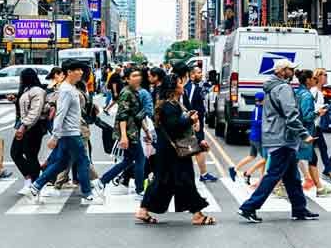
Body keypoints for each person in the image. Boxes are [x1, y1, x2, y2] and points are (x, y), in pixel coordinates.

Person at [237, 59, 320, 223]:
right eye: (290, 69)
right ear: (282, 71)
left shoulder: (271, 87)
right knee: (274, 175)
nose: (293, 72)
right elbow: (291, 116)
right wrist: (304, 134)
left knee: (292, 177)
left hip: (276, 135)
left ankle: (299, 209)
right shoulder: (283, 88)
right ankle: (249, 207)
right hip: (284, 137)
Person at [135, 73, 215, 226]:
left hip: (170, 151)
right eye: (180, 83)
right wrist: (190, 119)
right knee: (185, 180)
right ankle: (197, 215)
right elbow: (174, 127)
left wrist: (196, 138)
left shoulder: (174, 104)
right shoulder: (168, 106)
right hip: (171, 152)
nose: (183, 85)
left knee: (164, 182)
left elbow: (181, 127)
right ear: (173, 88)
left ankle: (143, 210)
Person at [20, 61, 97, 204]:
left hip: (69, 132)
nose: (81, 72)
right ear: (69, 72)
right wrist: (55, 136)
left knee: (62, 163)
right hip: (70, 133)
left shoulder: (70, 88)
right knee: (82, 161)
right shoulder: (67, 90)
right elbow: (61, 113)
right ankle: (87, 193)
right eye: (78, 69)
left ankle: (36, 187)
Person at [101, 68, 146, 197]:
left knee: (128, 160)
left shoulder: (135, 92)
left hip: (134, 131)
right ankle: (140, 189)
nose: (138, 77)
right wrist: (124, 136)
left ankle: (103, 180)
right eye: (134, 75)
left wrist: (146, 130)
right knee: (140, 159)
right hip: (129, 133)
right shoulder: (126, 93)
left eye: (139, 75)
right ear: (126, 79)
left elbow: (137, 115)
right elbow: (122, 116)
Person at [295, 69, 331, 196]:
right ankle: (277, 186)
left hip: (299, 131)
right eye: (313, 78)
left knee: (311, 158)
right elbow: (306, 116)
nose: (314, 80)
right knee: (290, 161)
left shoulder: (298, 92)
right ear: (308, 80)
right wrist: (318, 113)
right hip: (304, 131)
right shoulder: (306, 95)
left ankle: (319, 187)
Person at [12, 68, 48, 188]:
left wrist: (23, 126)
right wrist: (15, 100)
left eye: (22, 77)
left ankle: (35, 183)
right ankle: (30, 178)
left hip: (33, 127)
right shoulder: (28, 89)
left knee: (31, 155)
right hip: (25, 126)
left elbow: (35, 112)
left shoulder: (37, 91)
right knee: (15, 152)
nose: (20, 80)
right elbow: (25, 107)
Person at [183, 65, 217, 182]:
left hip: (198, 121)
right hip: (194, 122)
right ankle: (200, 174)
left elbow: (207, 87)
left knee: (199, 147)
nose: (201, 74)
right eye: (198, 72)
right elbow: (189, 106)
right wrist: (193, 121)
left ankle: (203, 174)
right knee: (196, 147)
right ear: (192, 75)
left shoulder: (197, 86)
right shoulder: (190, 87)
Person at [231, 91, 267, 184]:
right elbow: (255, 122)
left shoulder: (259, 108)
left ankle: (235, 169)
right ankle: (249, 173)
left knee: (252, 156)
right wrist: (266, 122)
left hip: (254, 136)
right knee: (265, 159)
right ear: (262, 100)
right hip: (257, 137)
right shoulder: (258, 109)